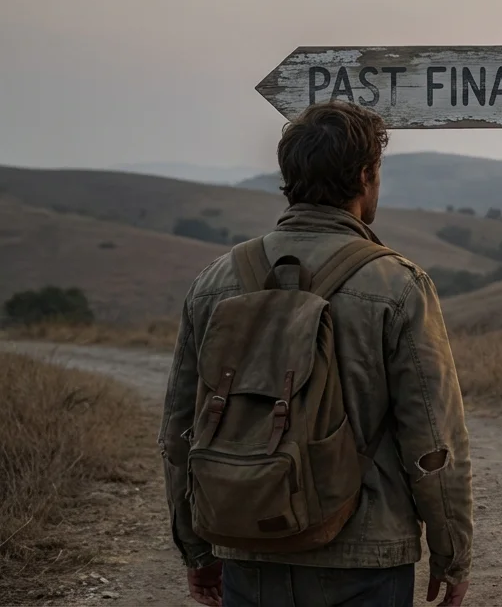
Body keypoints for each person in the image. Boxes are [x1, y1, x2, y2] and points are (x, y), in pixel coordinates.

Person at [159, 102, 473, 607]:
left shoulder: (215, 282)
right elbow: (433, 440)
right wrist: (451, 553)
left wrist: (196, 550)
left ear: (290, 176)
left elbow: (179, 431)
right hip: (365, 554)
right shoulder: (398, 284)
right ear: (368, 175)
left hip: (248, 542)